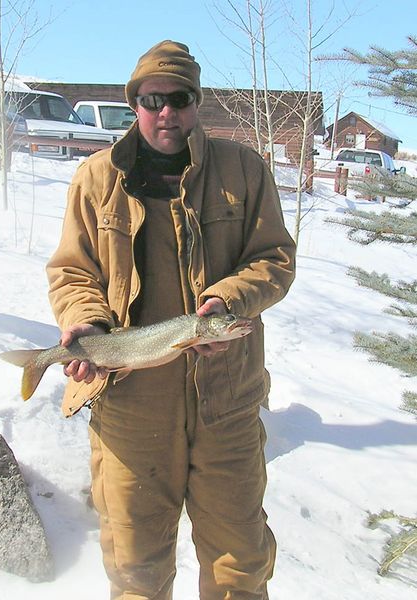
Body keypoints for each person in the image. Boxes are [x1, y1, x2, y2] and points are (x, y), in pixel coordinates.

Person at [46, 40, 296, 600]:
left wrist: (228, 301)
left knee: (241, 565)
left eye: (178, 98)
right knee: (136, 570)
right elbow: (72, 272)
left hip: (226, 403)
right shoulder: (94, 178)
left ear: (196, 103)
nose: (166, 112)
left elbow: (275, 259)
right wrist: (85, 324)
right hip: (131, 405)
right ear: (134, 103)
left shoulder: (244, 170)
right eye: (151, 99)